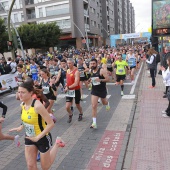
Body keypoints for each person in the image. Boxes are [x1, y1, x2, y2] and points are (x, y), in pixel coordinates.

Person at [9, 82, 65, 170]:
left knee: (45, 167)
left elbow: (51, 124)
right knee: (30, 166)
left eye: (22, 92)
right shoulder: (22, 104)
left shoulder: (38, 106)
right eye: (18, 92)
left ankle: (57, 144)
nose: (20, 95)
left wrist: (38, 137)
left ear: (30, 93)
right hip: (29, 137)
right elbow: (26, 119)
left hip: (42, 137)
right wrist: (21, 126)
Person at [89, 58, 110, 129]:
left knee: (104, 102)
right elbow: (91, 78)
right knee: (94, 106)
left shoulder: (101, 71)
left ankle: (107, 103)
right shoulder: (90, 71)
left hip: (102, 90)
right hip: (94, 90)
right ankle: (94, 123)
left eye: (93, 64)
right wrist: (89, 81)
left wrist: (100, 80)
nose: (92, 65)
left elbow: (108, 79)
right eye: (91, 64)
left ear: (97, 64)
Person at [65, 58, 83, 123]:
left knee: (77, 104)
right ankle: (70, 114)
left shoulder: (76, 72)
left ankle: (81, 113)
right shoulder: (67, 71)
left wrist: (68, 87)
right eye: (67, 63)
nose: (68, 64)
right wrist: (66, 85)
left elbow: (76, 83)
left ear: (73, 63)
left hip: (76, 90)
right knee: (67, 107)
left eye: (70, 63)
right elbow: (67, 80)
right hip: (69, 91)